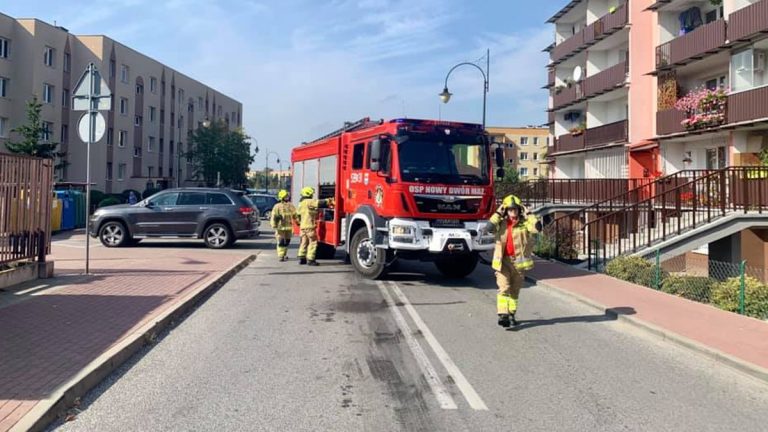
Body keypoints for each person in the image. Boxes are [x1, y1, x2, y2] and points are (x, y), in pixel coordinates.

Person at [488, 194, 541, 328]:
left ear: (519, 210)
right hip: (503, 262)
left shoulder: (524, 224)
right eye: (510, 209)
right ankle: (503, 315)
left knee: (514, 291)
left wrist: (529, 214)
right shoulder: (501, 223)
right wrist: (498, 213)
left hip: (519, 264)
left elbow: (537, 227)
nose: (513, 212)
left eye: (515, 209)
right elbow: (489, 227)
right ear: (506, 210)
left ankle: (511, 314)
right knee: (504, 287)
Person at [296, 186, 334, 266]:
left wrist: (299, 223)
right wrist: (330, 200)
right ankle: (311, 260)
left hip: (303, 227)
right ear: (308, 194)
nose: (312, 195)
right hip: (309, 226)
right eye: (311, 194)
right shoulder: (309, 201)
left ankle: (302, 257)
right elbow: (319, 203)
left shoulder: (301, 203)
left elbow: (298, 216)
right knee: (313, 243)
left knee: (304, 242)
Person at [270, 190, 297, 262]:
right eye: (285, 196)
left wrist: (298, 222)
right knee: (281, 241)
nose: (287, 197)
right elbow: (273, 216)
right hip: (280, 227)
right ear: (282, 197)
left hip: (289, 227)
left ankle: (284, 254)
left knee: (287, 241)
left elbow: (295, 215)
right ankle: (281, 256)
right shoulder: (277, 206)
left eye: (287, 196)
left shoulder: (290, 205)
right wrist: (274, 225)